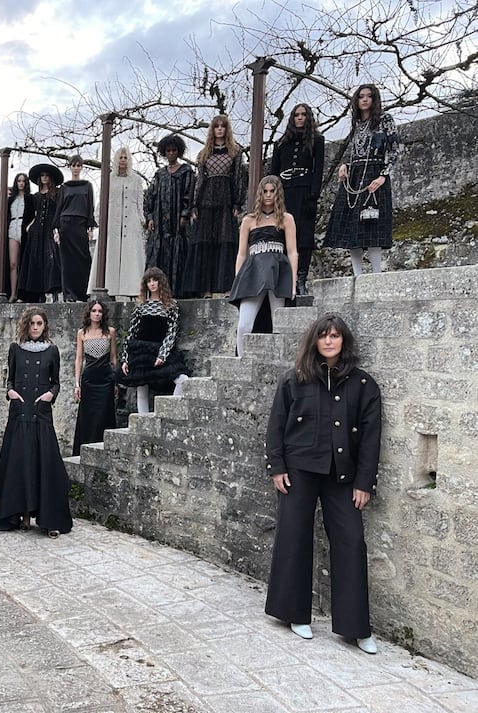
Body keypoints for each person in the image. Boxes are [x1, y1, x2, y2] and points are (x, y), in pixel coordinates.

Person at [265, 313, 381, 655]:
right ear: (314, 341)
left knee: (352, 542)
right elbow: (276, 427)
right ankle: (292, 613)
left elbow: (372, 438)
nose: (329, 341)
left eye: (335, 336)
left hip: (342, 476)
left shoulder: (363, 385)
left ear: (344, 341)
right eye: (323, 336)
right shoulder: (294, 380)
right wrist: (277, 467)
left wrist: (364, 483)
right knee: (293, 536)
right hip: (298, 472)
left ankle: (355, 627)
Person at [0, 307, 73, 537]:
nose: (36, 327)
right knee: (21, 463)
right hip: (20, 412)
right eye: (32, 323)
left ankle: (48, 519)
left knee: (44, 463)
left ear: (45, 325)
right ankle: (23, 514)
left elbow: (56, 382)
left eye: (40, 323)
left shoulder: (52, 350)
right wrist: (10, 392)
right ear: (26, 325)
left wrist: (50, 395)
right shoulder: (15, 349)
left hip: (41, 413)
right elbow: (9, 380)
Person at [325, 84, 400, 276]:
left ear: (375, 99)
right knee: (352, 226)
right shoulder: (356, 126)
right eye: (361, 96)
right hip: (354, 177)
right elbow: (353, 154)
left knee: (373, 224)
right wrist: (344, 166)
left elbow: (394, 150)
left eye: (369, 96)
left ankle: (376, 274)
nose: (365, 99)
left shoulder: (385, 120)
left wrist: (383, 175)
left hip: (375, 172)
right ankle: (357, 275)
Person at [229, 176, 298, 357]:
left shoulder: (286, 219)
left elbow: (292, 252)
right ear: (260, 193)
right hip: (252, 271)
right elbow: (241, 253)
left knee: (278, 323)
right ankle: (240, 361)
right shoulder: (248, 220)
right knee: (244, 324)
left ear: (278, 193)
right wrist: (238, 281)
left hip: (278, 272)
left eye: (272, 191)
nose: (268, 195)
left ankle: (277, 361)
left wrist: (293, 283)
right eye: (265, 191)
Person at [184, 115, 247, 297]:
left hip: (226, 201)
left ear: (227, 129)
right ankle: (207, 289)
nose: (220, 129)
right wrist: (194, 206)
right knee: (206, 243)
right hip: (206, 201)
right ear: (212, 130)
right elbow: (199, 181)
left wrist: (237, 202)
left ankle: (227, 286)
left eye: (223, 126)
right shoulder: (203, 154)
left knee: (225, 241)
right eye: (217, 126)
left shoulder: (235, 152)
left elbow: (238, 179)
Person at [270, 104, 325, 295]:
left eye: (303, 115)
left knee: (304, 237)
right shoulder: (281, 143)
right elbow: (273, 173)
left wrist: (314, 195)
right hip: (284, 193)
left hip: (304, 193)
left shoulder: (317, 140)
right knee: (282, 236)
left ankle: (300, 278)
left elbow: (318, 170)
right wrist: (273, 197)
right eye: (296, 115)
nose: (299, 118)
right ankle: (284, 278)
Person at [117, 268, 190, 414]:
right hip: (140, 351)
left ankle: (170, 413)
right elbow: (132, 332)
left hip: (161, 350)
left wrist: (162, 354)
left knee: (182, 379)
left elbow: (172, 332)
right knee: (142, 387)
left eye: (154, 280)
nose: (152, 284)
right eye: (148, 281)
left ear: (160, 282)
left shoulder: (171, 305)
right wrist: (125, 358)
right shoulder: (141, 307)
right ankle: (143, 422)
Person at [145, 134, 196, 298]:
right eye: (168, 151)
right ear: (164, 153)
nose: (171, 153)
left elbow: (189, 194)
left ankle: (179, 291)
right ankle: (159, 291)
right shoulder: (160, 174)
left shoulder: (186, 172)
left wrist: (185, 214)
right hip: (161, 223)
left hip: (178, 224)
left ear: (179, 151)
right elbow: (150, 197)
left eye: (174, 150)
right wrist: (150, 216)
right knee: (159, 252)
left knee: (179, 251)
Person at [72, 298, 118, 455]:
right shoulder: (82, 333)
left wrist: (116, 382)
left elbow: (113, 358)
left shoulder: (110, 332)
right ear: (89, 313)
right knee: (88, 416)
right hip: (88, 379)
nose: (97, 314)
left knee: (104, 414)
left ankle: (105, 450)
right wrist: (77, 384)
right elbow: (79, 359)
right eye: (94, 311)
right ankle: (84, 450)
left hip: (106, 379)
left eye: (100, 311)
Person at [99, 146, 144, 299]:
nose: (123, 160)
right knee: (110, 252)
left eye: (125, 157)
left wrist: (141, 219)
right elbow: (103, 200)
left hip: (131, 220)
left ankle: (132, 289)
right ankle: (109, 288)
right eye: (120, 157)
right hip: (113, 220)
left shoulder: (136, 179)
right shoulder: (108, 178)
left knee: (131, 254)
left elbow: (139, 202)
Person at [54, 155, 97, 302]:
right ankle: (69, 294)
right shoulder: (64, 187)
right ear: (70, 167)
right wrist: (56, 230)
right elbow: (59, 207)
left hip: (81, 224)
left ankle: (84, 292)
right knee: (67, 261)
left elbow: (90, 206)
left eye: (79, 165)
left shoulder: (87, 186)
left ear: (82, 167)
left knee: (83, 258)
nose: (76, 168)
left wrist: (90, 228)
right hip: (66, 224)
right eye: (74, 165)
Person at [20, 164, 62, 303]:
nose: (44, 178)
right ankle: (38, 293)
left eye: (47, 175)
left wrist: (57, 228)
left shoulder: (56, 193)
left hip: (51, 228)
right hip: (37, 231)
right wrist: (30, 226)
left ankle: (54, 291)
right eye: (42, 175)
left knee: (52, 259)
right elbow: (35, 214)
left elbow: (58, 212)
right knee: (36, 259)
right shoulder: (35, 196)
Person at [6, 173, 33, 302]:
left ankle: (22, 293)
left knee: (24, 262)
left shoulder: (30, 198)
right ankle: (13, 293)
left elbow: (35, 215)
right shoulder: (11, 199)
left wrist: (29, 226)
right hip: (12, 228)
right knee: (13, 263)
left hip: (24, 229)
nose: (21, 183)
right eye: (19, 181)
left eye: (23, 181)